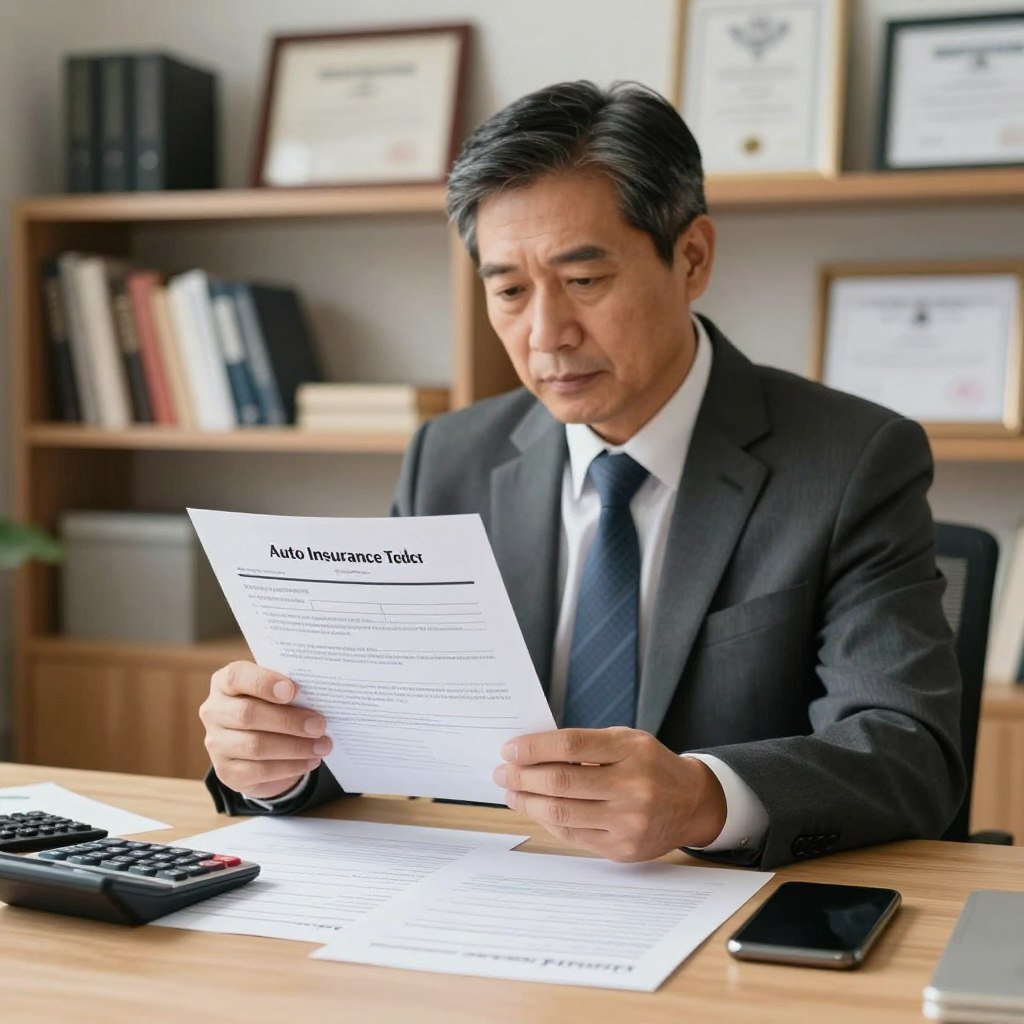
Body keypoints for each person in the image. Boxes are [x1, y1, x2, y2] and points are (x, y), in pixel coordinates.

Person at [200, 81, 964, 869]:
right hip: (487, 898)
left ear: (692, 256)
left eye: (584, 281)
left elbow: (909, 752)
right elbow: (383, 728)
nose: (546, 336)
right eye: (509, 291)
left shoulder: (851, 461)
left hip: (724, 916)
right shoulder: (450, 459)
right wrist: (274, 762)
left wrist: (702, 799)